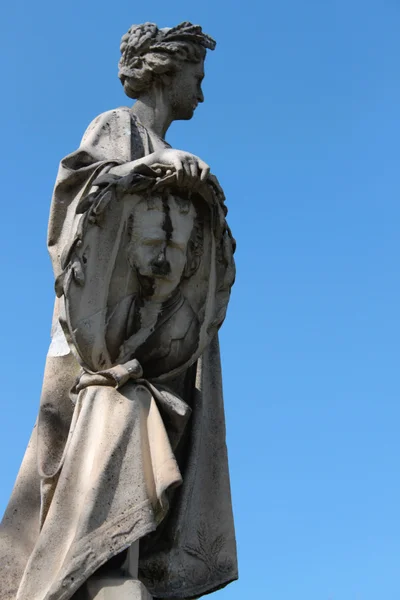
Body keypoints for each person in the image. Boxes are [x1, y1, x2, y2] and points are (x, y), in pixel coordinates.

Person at [0, 22, 237, 600]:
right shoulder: (115, 127)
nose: (201, 94)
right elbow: (77, 210)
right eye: (196, 77)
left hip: (154, 348)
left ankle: (127, 565)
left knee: (140, 433)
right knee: (107, 428)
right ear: (166, 72)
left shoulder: (178, 156)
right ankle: (96, 569)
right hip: (101, 346)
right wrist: (144, 170)